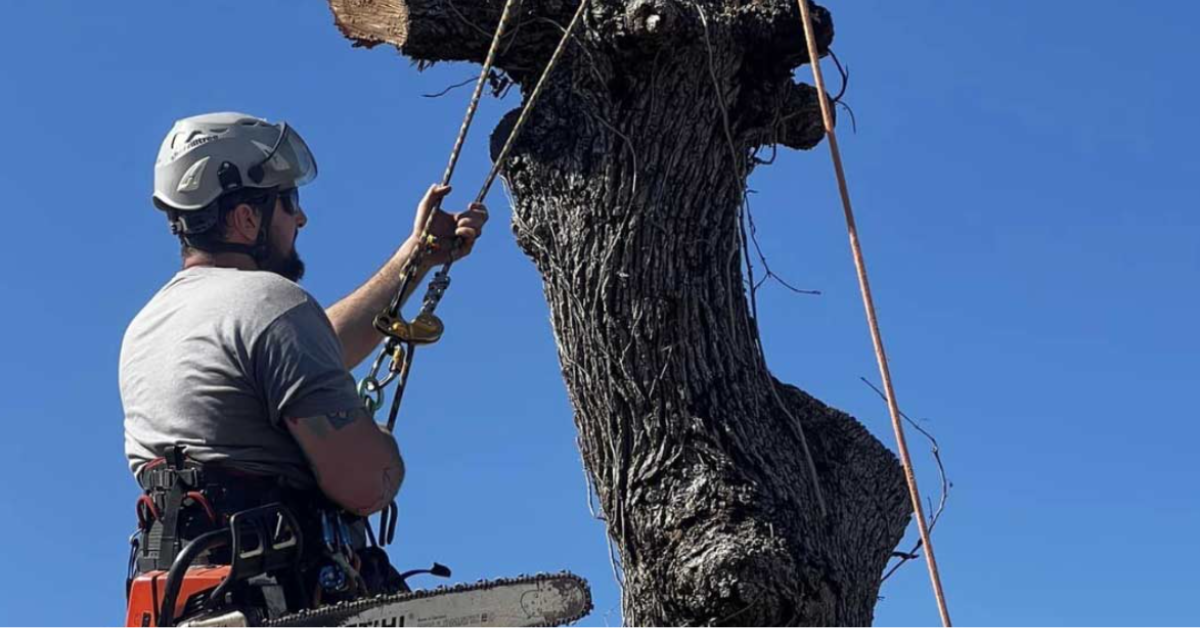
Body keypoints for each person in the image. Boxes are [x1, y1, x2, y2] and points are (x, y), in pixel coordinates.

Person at [120, 112, 487, 593]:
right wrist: (382, 451)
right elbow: (364, 483)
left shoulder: (151, 326)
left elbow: (311, 350)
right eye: (287, 201)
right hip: (285, 598)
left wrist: (412, 259)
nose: (300, 217)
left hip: (191, 595)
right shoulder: (273, 304)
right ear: (245, 218)